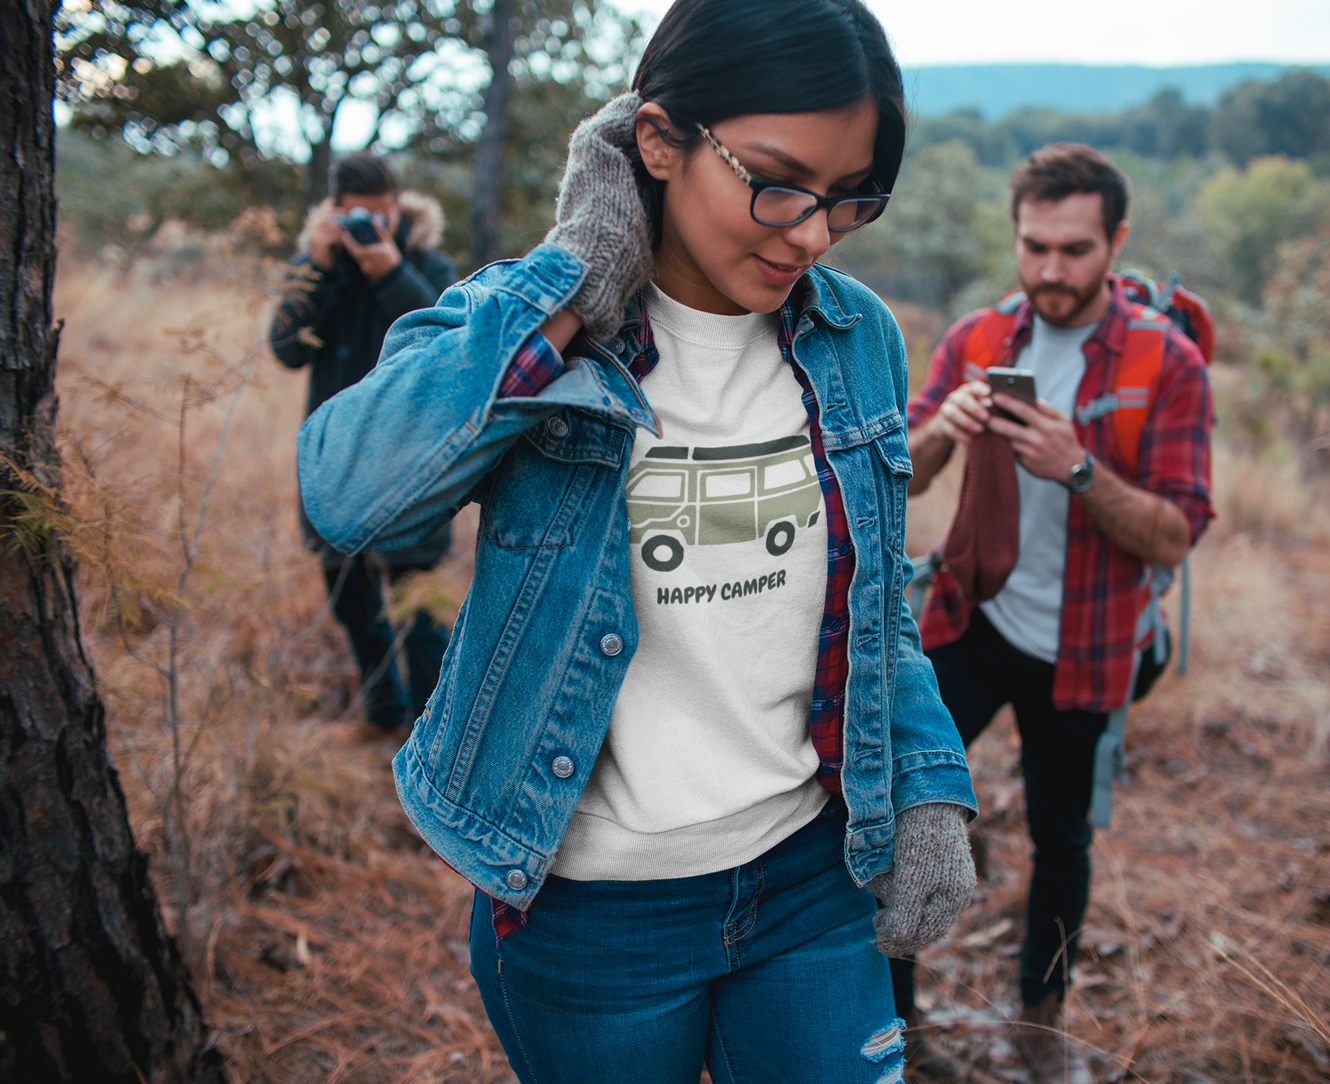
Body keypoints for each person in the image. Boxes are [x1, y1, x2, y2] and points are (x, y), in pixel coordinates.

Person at [296, 0, 980, 1078]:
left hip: (810, 876)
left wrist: (927, 778)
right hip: (592, 911)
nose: (808, 231)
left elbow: (875, 598)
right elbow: (354, 496)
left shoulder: (856, 339)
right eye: (775, 179)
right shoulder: (536, 333)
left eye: (848, 199)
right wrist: (574, 281)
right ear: (657, 142)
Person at [902, 144, 1214, 1084]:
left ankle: (1038, 1026)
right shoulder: (976, 338)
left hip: (1085, 642)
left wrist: (1076, 468)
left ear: (1115, 243)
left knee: (1061, 837)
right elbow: (894, 475)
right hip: (968, 618)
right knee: (904, 809)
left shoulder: (1167, 360)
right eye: (1033, 247)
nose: (1048, 272)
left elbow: (1174, 534)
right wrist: (940, 432)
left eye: (1074, 250)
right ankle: (895, 1022)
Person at [270, 153, 458, 735]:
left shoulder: (428, 264)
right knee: (352, 599)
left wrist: (389, 271)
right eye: (359, 217)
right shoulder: (318, 265)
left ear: (398, 205)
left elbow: (451, 346)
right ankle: (383, 711)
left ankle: (431, 725)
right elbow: (286, 349)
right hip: (338, 458)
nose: (373, 228)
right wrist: (323, 268)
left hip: (413, 459)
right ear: (335, 212)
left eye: (383, 215)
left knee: (418, 603)